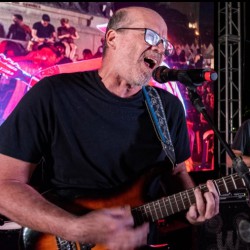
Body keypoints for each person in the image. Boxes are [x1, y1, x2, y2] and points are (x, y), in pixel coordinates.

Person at [0, 6, 219, 250]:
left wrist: (192, 208)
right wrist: (73, 228)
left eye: (164, 43)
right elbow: (4, 185)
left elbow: (176, 173)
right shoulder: (52, 94)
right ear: (113, 38)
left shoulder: (168, 108)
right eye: (151, 37)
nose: (160, 49)